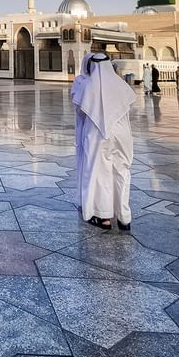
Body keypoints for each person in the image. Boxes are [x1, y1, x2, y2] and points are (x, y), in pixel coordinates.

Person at [71, 52, 136, 231]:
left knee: (99, 173)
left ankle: (103, 216)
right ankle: (124, 217)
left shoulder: (88, 86)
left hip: (97, 134)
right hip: (122, 135)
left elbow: (79, 110)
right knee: (121, 171)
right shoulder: (120, 84)